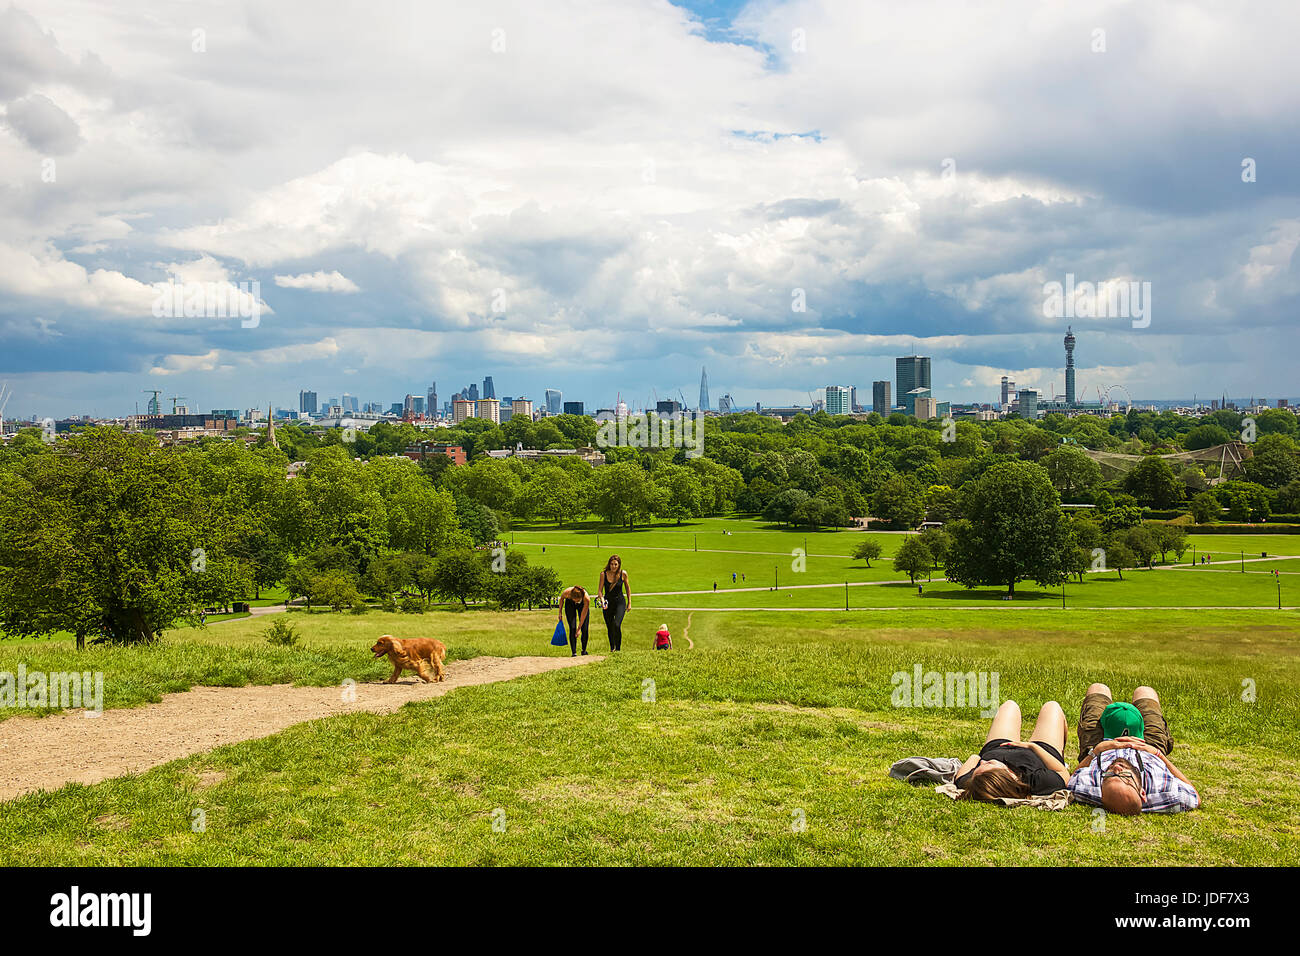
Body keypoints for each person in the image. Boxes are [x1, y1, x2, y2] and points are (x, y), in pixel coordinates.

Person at [1067, 683, 1199, 815]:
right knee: (1144, 691)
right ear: (1142, 793)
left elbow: (1070, 780)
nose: (1117, 769)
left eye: (1109, 775)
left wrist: (1095, 752)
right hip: (1148, 746)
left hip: (1102, 746)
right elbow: (1195, 796)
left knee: (1098, 689)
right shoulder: (1165, 791)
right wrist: (1158, 754)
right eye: (1125, 776)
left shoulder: (1089, 787)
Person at [955, 699, 1070, 802]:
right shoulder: (1036, 782)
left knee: (1009, 705)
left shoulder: (974, 781)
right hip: (1042, 751)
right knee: (1052, 707)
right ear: (1007, 775)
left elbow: (974, 758)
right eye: (988, 763)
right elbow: (1063, 773)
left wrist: (978, 762)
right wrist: (1032, 747)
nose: (982, 762)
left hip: (998, 746)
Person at [596, 555, 629, 652]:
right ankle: (612, 648)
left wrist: (629, 602)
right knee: (610, 626)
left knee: (616, 625)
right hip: (608, 602)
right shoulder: (603, 574)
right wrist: (602, 600)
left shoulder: (623, 574)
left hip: (620, 602)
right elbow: (600, 591)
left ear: (619, 565)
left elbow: (628, 588)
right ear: (609, 564)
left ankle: (618, 648)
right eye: (611, 564)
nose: (613, 566)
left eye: (615, 564)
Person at [558, 585, 591, 657]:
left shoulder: (586, 598)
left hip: (582, 606)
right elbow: (561, 600)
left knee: (584, 628)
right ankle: (574, 652)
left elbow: (583, 615)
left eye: (577, 600)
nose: (576, 602)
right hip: (570, 605)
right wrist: (560, 612)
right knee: (572, 628)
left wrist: (579, 628)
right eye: (574, 600)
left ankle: (584, 650)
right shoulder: (567, 592)